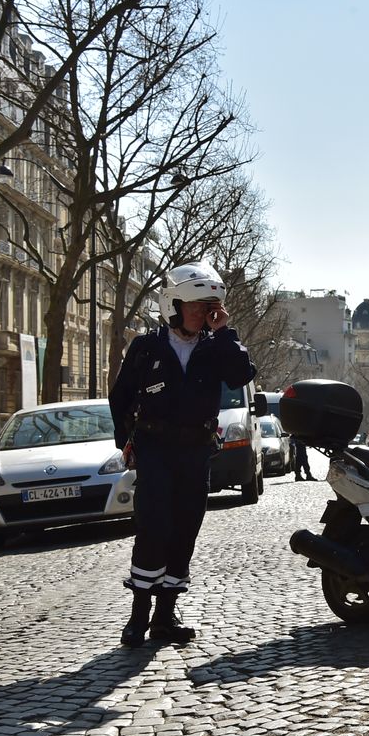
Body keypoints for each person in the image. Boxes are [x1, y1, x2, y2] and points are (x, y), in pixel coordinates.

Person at [110, 264, 255, 647]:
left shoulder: (215, 347)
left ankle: (164, 617)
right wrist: (124, 441)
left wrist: (225, 331)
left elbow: (242, 374)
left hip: (196, 451)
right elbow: (120, 397)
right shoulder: (146, 347)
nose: (203, 313)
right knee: (154, 527)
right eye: (195, 305)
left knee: (185, 530)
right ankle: (138, 616)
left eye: (210, 305)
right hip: (155, 449)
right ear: (173, 304)